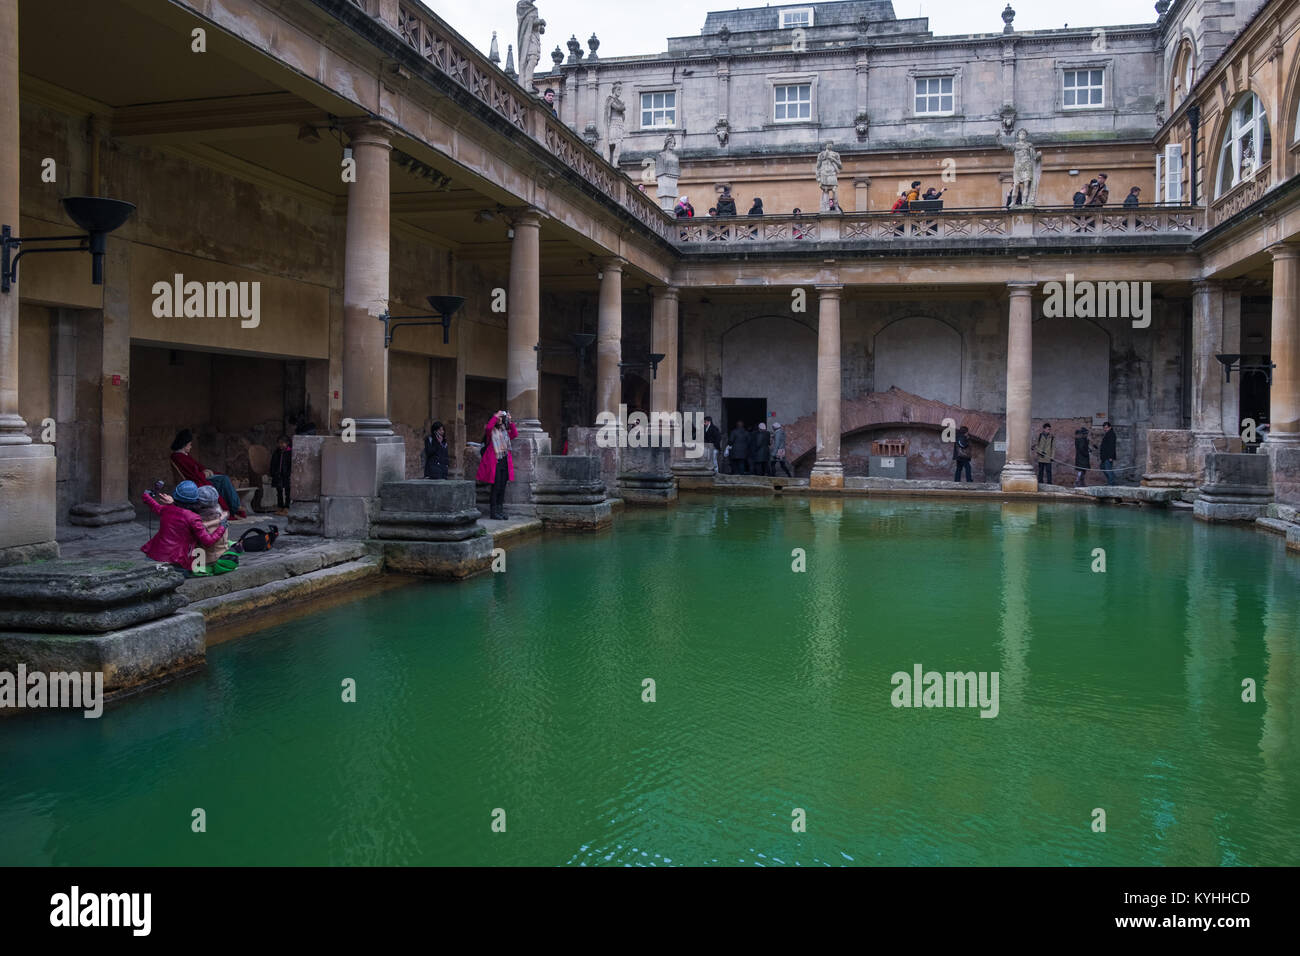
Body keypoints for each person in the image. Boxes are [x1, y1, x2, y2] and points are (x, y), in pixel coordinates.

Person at [141, 481, 227, 574]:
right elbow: (207, 541)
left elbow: (154, 505)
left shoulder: (166, 509)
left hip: (155, 555)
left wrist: (147, 495)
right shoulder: (193, 518)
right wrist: (222, 526)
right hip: (177, 561)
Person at [170, 429, 246, 518]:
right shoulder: (179, 457)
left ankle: (233, 506)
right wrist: (205, 474)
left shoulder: (184, 456)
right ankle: (235, 507)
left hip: (200, 477)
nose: (191, 447)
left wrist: (208, 471)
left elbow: (198, 467)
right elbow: (191, 475)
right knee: (223, 480)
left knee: (222, 478)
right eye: (190, 444)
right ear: (184, 444)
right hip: (196, 481)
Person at [476, 411, 517, 520]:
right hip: (495, 463)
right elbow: (489, 427)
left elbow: (514, 434)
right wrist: (496, 416)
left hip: (504, 462)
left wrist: (510, 421)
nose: (500, 420)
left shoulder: (504, 430)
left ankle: (500, 511)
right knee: (496, 488)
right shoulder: (491, 433)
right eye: (498, 418)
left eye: (501, 418)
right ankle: (493, 513)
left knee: (502, 488)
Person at [269, 435, 293, 511]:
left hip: (287, 475)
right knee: (279, 491)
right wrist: (273, 473)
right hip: (278, 475)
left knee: (287, 491)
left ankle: (287, 507)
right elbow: (273, 463)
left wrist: (289, 473)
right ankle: (280, 506)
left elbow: (291, 464)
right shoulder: (276, 453)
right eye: (279, 443)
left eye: (283, 443)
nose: (281, 445)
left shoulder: (290, 453)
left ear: (287, 443)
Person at [1099, 421, 1118, 486]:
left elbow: (1112, 446)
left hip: (1108, 456)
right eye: (1104, 428)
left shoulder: (1111, 434)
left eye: (1106, 428)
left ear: (1110, 427)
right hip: (1104, 456)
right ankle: (1111, 481)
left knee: (1108, 470)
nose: (1105, 429)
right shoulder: (1107, 434)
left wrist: (1111, 457)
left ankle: (1111, 483)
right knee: (1102, 467)